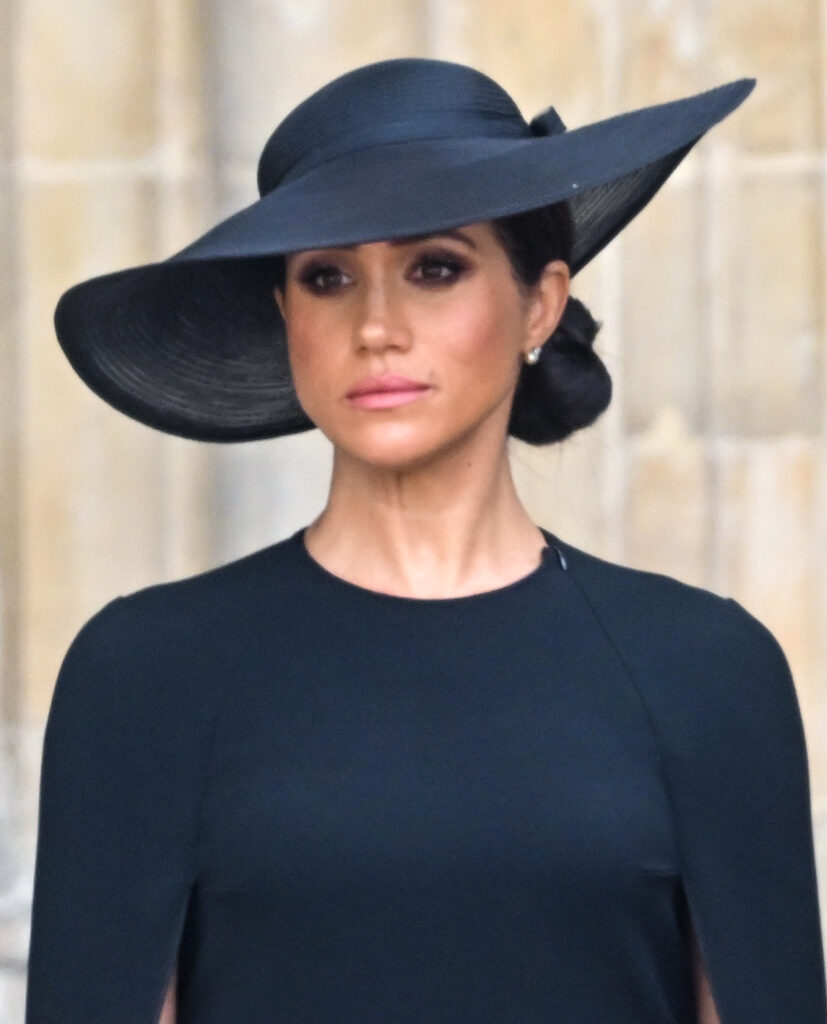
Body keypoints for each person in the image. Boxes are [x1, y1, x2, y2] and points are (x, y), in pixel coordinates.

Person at [24, 58, 827, 1024]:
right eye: (327, 277)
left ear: (539, 302)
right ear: (287, 319)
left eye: (434, 268)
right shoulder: (145, 672)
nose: (374, 326)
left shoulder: (706, 668)